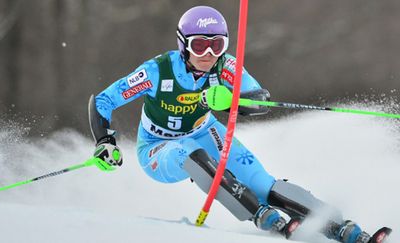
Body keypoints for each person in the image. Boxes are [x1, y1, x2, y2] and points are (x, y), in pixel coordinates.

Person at [88, 6, 387, 243]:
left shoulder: (226, 66)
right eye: (200, 45)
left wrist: (232, 100)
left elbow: (259, 100)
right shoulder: (157, 71)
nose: (209, 54)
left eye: (216, 44)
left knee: (263, 183)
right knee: (190, 153)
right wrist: (105, 141)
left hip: (205, 132)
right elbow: (102, 101)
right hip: (158, 148)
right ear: (183, 45)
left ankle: (339, 227)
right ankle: (258, 213)